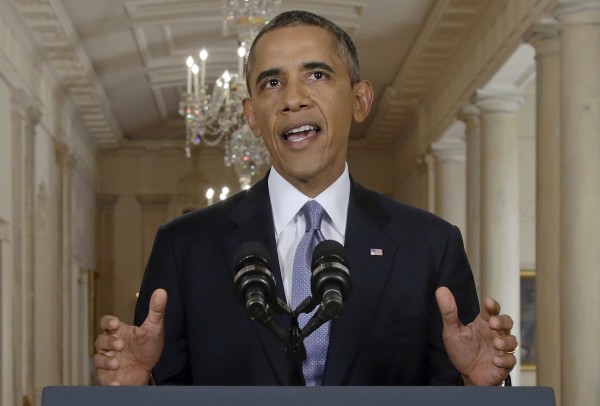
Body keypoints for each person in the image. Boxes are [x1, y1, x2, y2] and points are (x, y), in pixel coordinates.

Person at [94, 10, 517, 387]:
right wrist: (136, 388)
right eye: (272, 82)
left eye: (316, 75)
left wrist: (478, 386)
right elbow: (168, 387)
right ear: (252, 116)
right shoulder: (184, 246)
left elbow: (447, 390)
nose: (293, 99)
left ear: (359, 99)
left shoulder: (430, 245)